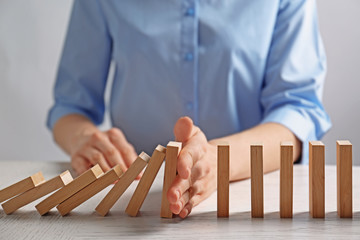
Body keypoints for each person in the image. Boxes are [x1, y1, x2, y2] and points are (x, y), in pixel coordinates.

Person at [48, 0, 331, 219]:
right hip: (131, 198)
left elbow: (298, 112)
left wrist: (218, 161)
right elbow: (70, 106)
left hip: (252, 198)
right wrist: (82, 138)